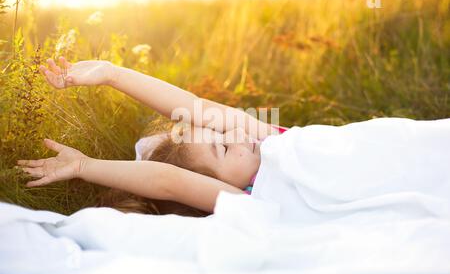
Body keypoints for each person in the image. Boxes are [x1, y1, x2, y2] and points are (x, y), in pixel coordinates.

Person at [17, 57, 285, 214]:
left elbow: (194, 106)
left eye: (223, 132)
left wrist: (113, 74)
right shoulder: (248, 201)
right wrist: (83, 166)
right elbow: (168, 180)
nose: (238, 134)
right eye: (223, 149)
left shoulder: (272, 140)